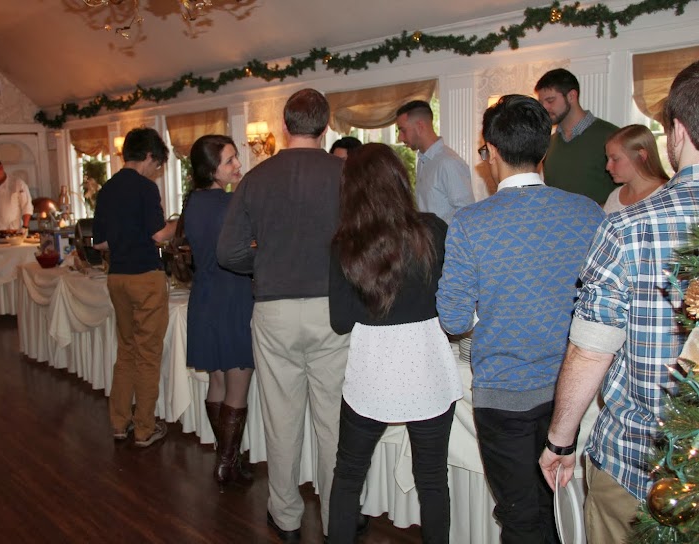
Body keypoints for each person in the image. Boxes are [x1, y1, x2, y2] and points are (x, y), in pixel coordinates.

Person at [539, 60, 699, 543]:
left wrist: (560, 440)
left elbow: (592, 349)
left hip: (643, 464)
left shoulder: (631, 226)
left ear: (676, 130)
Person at [436, 95, 604, 543]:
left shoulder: (470, 222)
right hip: (571, 391)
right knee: (560, 508)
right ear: (543, 149)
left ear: (491, 150)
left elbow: (453, 318)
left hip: (503, 394)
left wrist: (492, 303)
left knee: (519, 515)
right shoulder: (588, 211)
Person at [217, 89, 352, 542]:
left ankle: (287, 517)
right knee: (333, 423)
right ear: (325, 127)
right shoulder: (347, 175)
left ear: (284, 125)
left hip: (274, 308)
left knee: (281, 419)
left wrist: (267, 261)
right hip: (332, 309)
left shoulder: (256, 178)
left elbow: (228, 252)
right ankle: (336, 519)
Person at [328, 143, 462, 544]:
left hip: (373, 373)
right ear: (400, 180)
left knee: (348, 475)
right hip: (428, 369)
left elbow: (339, 322)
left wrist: (374, 301)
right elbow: (450, 302)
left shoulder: (345, 243)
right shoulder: (432, 230)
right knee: (433, 480)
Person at [92, 127, 174, 448]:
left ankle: (119, 422)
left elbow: (100, 243)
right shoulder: (145, 187)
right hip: (145, 277)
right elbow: (158, 235)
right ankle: (144, 428)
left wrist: (125, 238)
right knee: (148, 354)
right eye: (157, 164)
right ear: (149, 156)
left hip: (117, 277)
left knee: (126, 350)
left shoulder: (107, 189)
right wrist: (179, 223)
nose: (156, 171)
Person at [184, 135, 255, 485]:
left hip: (204, 295)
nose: (237, 165)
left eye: (235, 157)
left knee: (216, 380)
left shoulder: (193, 202)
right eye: (230, 161)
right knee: (238, 383)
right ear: (210, 169)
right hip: (233, 296)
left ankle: (228, 456)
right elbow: (246, 249)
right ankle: (227, 464)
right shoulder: (229, 204)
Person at [535, 68, 619, 205]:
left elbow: (628, 192)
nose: (544, 108)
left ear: (571, 96)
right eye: (541, 103)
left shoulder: (612, 136)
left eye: (550, 101)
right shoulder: (549, 143)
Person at [395, 100, 474, 224]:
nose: (400, 138)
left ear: (420, 126)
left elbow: (467, 214)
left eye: (403, 130)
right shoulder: (423, 161)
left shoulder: (448, 162)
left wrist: (438, 232)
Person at [603, 124, 670, 213]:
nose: (608, 167)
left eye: (615, 159)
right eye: (608, 159)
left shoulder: (667, 195)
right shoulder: (614, 196)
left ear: (641, 156)